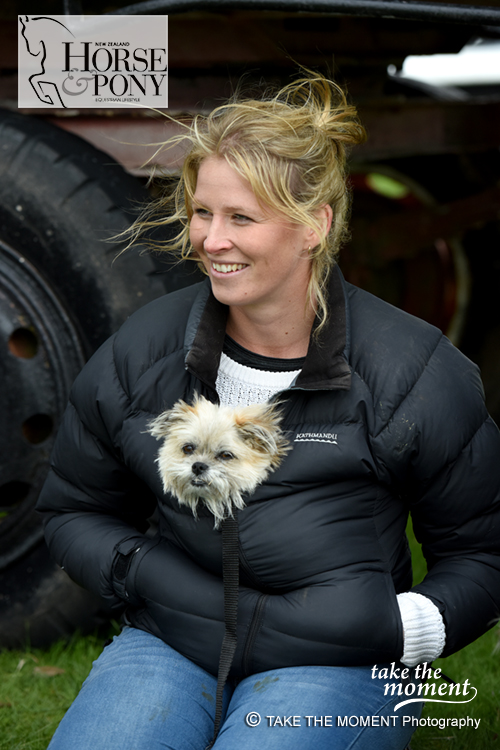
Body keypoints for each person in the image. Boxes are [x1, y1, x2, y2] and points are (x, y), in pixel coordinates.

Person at [37, 72, 500, 750]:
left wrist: (401, 629)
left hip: (338, 659)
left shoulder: (415, 371)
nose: (211, 241)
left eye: (241, 218)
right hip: (174, 638)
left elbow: (481, 553)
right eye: (203, 212)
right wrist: (140, 570)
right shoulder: (142, 350)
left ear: (315, 225)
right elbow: (73, 507)